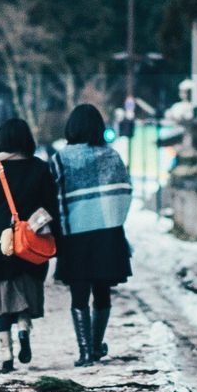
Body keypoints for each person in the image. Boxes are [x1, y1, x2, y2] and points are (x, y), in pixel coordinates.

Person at [0, 118, 59, 372]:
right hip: (32, 244)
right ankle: (23, 327)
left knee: (0, 298)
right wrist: (58, 243)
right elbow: (51, 209)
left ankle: (6, 353)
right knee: (25, 291)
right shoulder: (40, 168)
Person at [50, 104, 134, 366]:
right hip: (107, 233)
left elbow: (53, 197)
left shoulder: (60, 158)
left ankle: (85, 352)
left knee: (78, 294)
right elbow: (125, 192)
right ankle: (97, 346)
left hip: (75, 235)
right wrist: (112, 221)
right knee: (102, 291)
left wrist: (61, 232)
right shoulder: (112, 156)